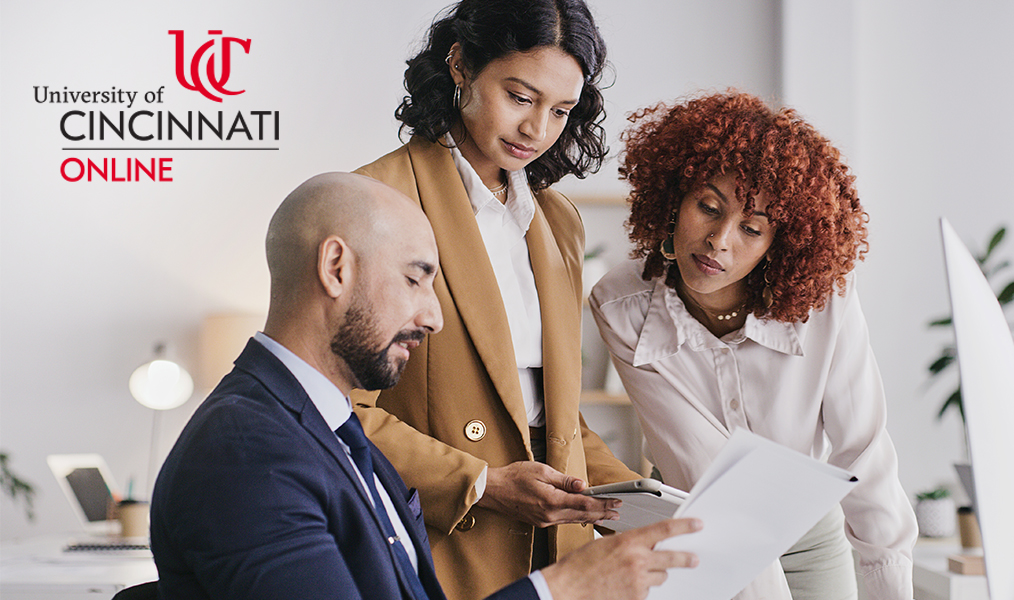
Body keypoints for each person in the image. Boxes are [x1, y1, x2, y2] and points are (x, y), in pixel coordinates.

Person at [150, 172, 700, 600]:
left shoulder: (331, 430)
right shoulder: (247, 451)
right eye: (415, 279)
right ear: (336, 267)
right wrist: (563, 588)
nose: (435, 318)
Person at [351, 2, 640, 598]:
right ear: (460, 64)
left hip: (555, 548)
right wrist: (481, 481)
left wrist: (644, 501)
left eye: (561, 110)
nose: (537, 129)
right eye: (520, 97)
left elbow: (552, 418)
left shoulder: (558, 221)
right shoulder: (376, 200)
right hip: (441, 540)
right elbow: (338, 411)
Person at [589, 92, 919, 600]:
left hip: (810, 542)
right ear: (674, 197)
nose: (720, 240)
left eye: (751, 228)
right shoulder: (621, 306)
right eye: (708, 207)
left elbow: (864, 452)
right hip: (696, 533)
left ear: (777, 244)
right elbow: (699, 468)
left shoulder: (824, 302)